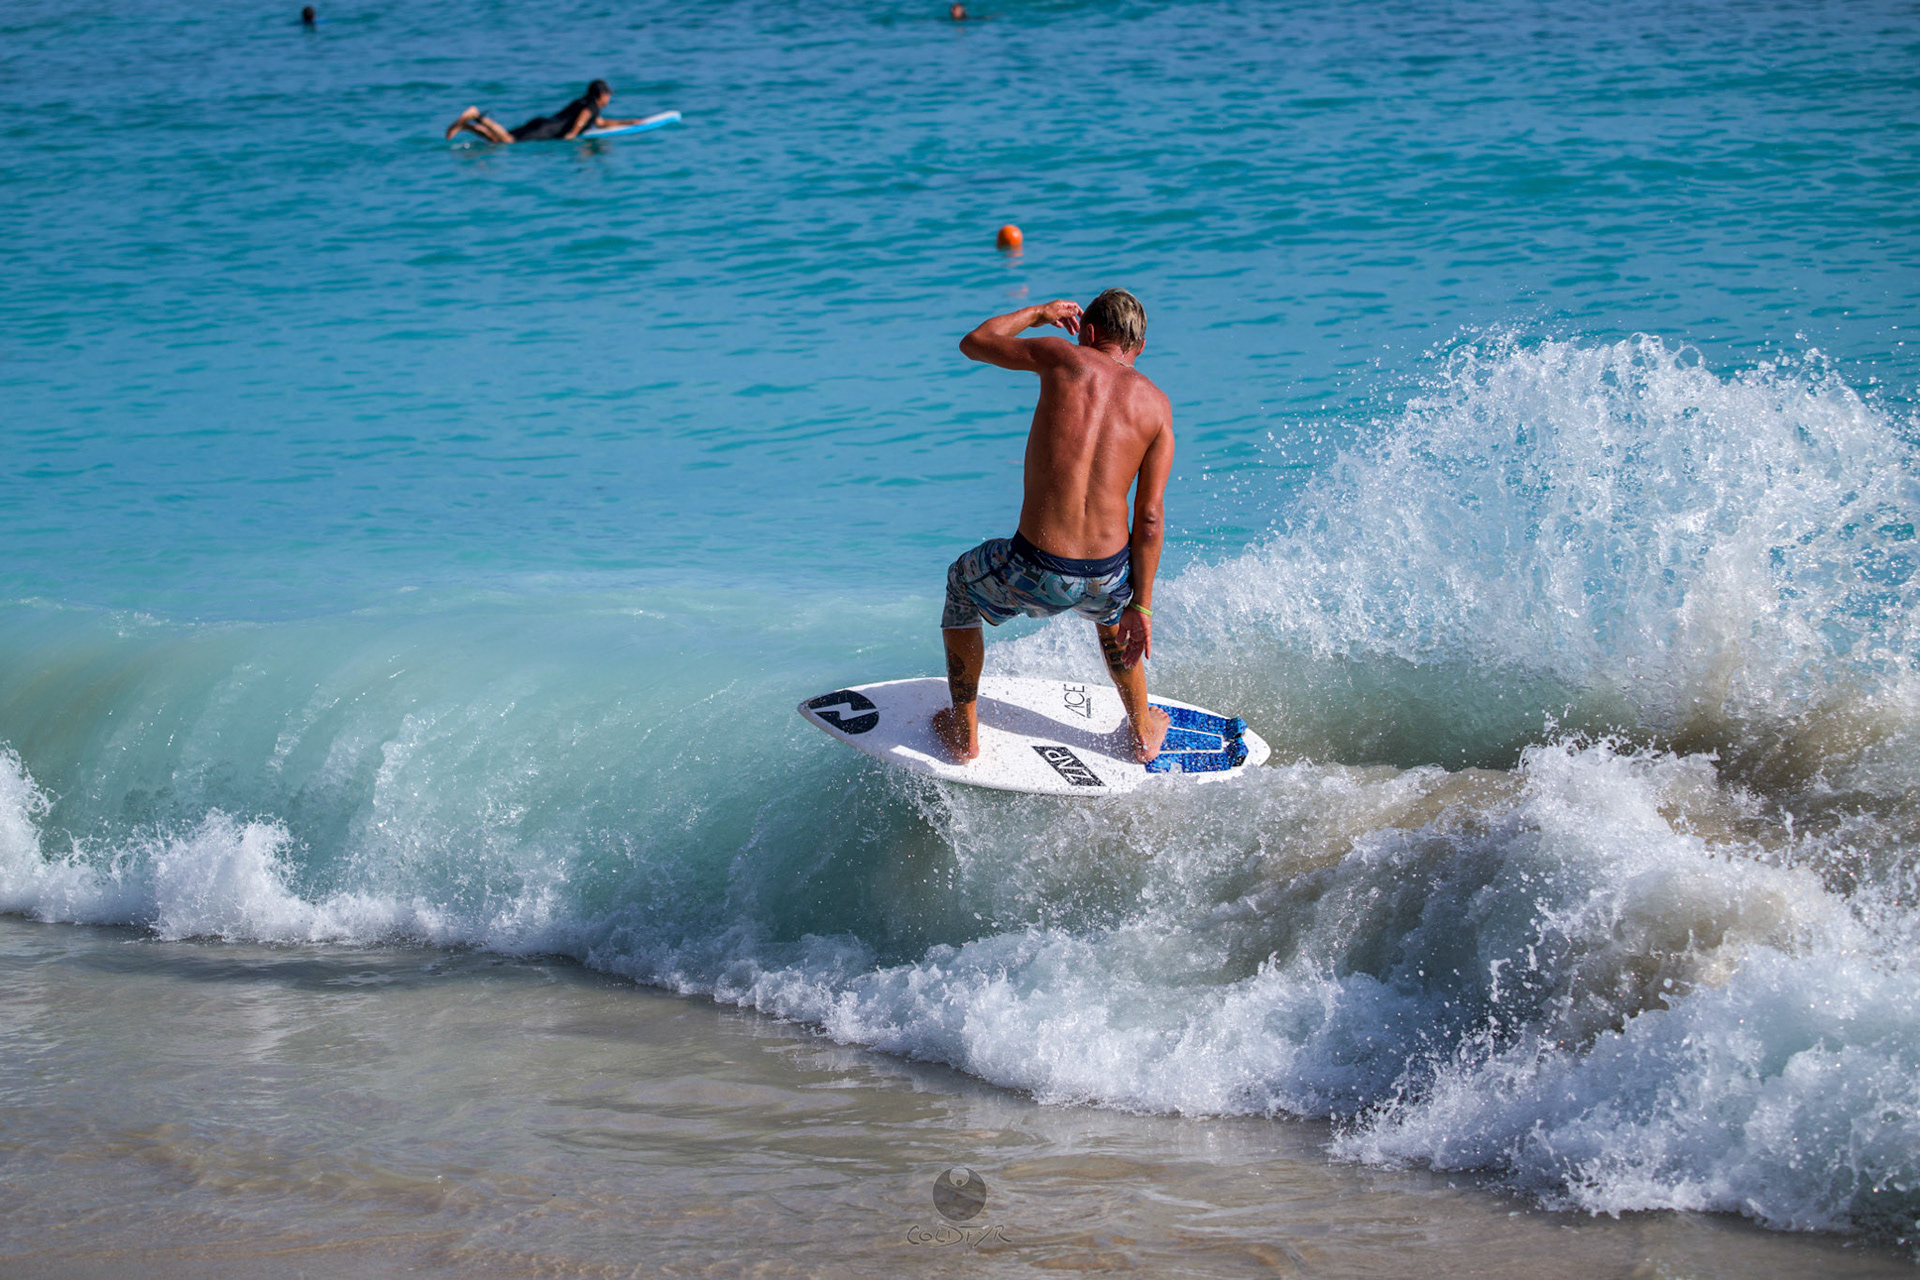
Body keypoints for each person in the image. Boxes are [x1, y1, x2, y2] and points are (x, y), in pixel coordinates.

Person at [935, 289, 1174, 764]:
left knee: (961, 583)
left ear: (1087, 332)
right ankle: (1143, 731)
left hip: (1034, 568)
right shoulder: (1158, 408)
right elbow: (1148, 518)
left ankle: (965, 735)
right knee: (1112, 615)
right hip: (1107, 576)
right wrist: (1141, 608)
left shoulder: (1062, 357)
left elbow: (975, 341)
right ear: (1140, 347)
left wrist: (1039, 314)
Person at [443, 80, 643, 144]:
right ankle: (477, 116)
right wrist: (572, 134)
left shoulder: (584, 102)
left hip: (543, 123)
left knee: (497, 140)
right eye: (608, 95)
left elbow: (601, 123)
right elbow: (583, 119)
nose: (609, 98)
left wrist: (630, 122)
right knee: (508, 141)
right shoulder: (591, 106)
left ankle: (466, 126)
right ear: (600, 95)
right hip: (547, 130)